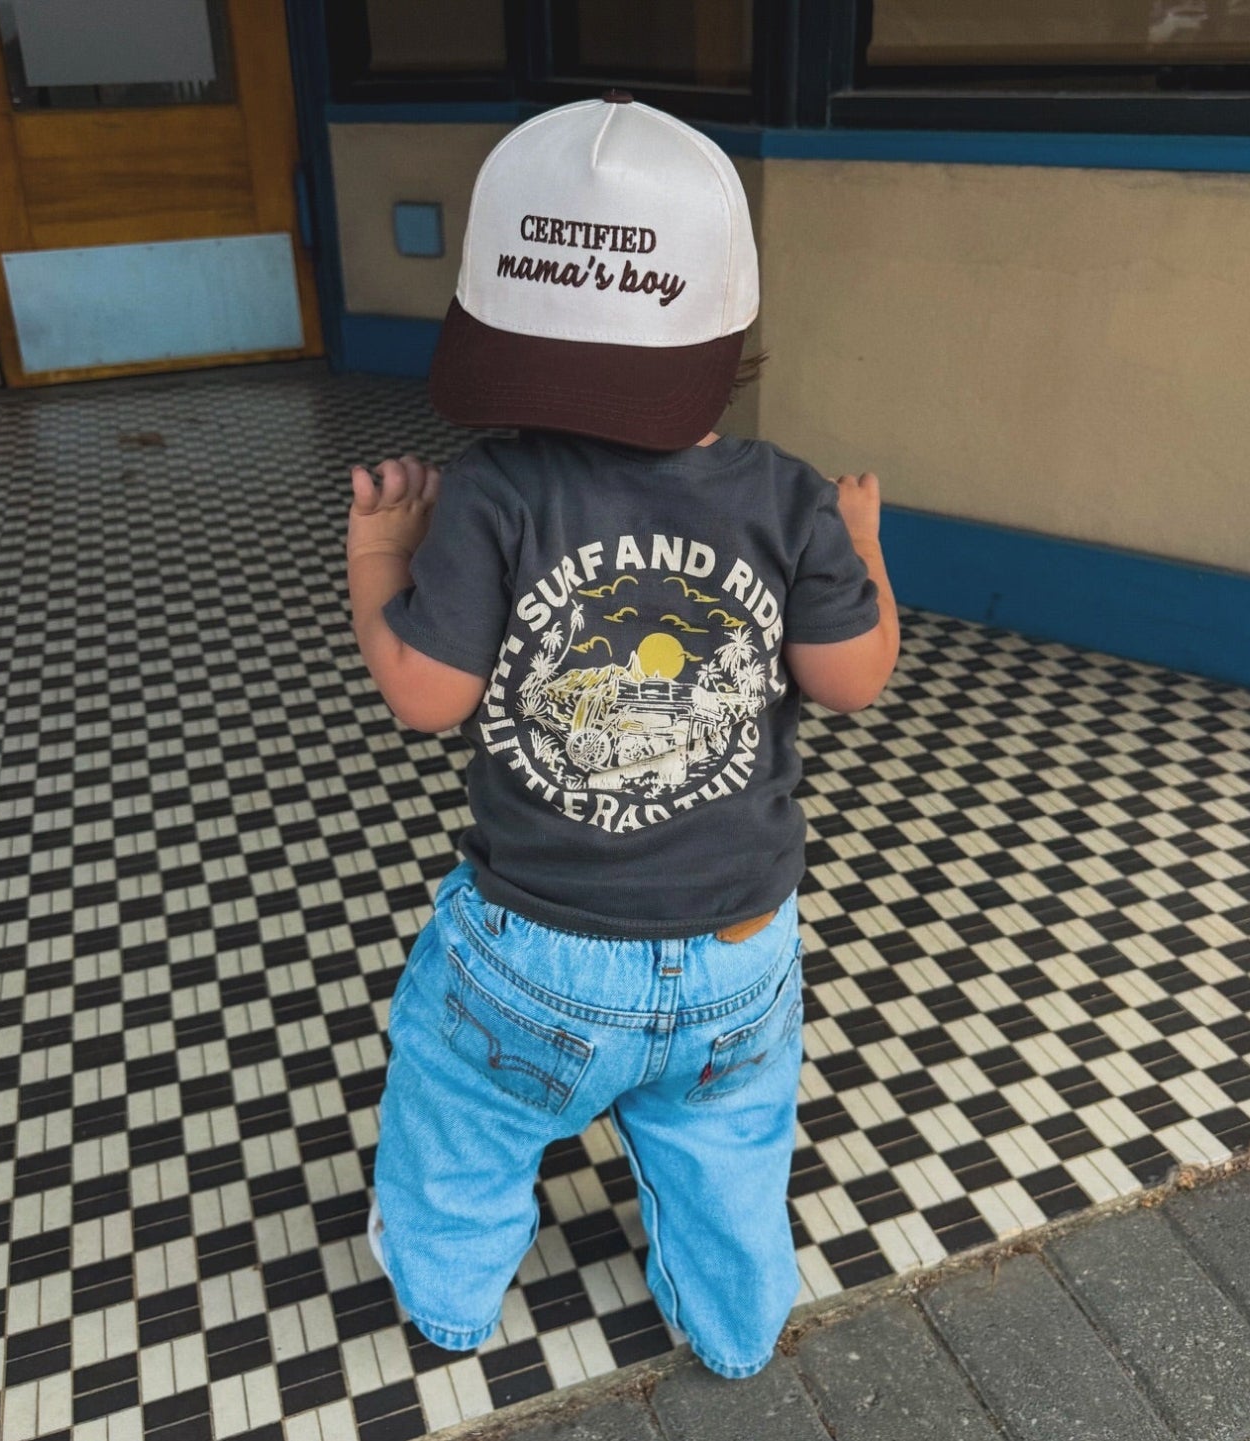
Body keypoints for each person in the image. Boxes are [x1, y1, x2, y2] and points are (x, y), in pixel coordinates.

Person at [345, 94, 900, 1380]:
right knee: (730, 1143)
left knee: (460, 1111)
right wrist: (865, 552)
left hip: (537, 948)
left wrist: (379, 557)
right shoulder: (790, 497)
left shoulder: (493, 490)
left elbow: (426, 697)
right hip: (741, 950)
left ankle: (447, 1296)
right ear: (730, 336)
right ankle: (737, 1320)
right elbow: (853, 678)